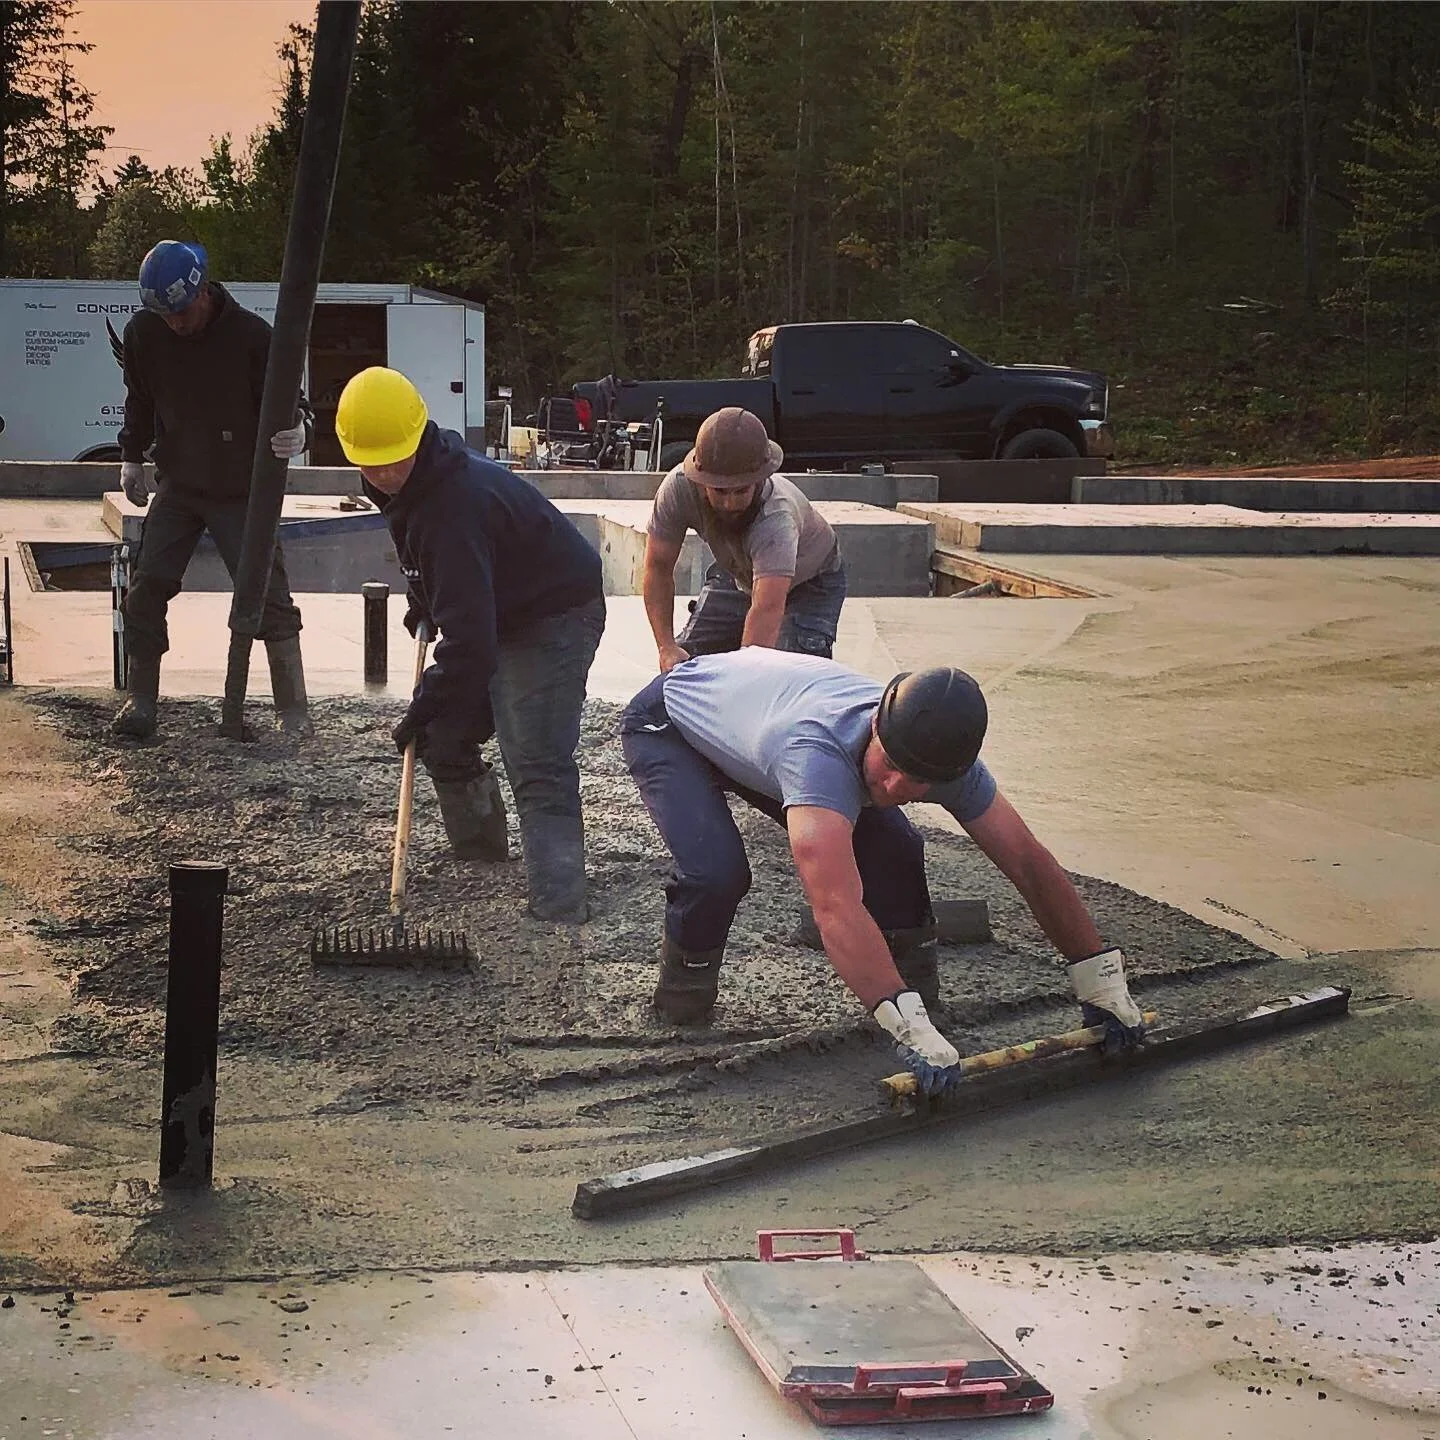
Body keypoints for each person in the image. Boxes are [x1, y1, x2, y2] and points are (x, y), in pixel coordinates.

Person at [620, 649, 1146, 1092]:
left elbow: (1028, 863)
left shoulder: (944, 759)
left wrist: (1100, 977)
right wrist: (906, 1027)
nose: (896, 788)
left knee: (895, 845)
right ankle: (681, 1006)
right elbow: (835, 906)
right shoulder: (813, 751)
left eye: (917, 781)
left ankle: (920, 998)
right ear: (876, 725)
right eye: (890, 765)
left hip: (757, 713)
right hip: (672, 722)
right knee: (718, 872)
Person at [335, 366, 607, 924]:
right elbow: (440, 573)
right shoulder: (405, 483)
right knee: (443, 735)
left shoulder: (451, 504)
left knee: (533, 754)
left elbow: (472, 648)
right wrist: (426, 600)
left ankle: (559, 905)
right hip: (498, 605)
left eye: (392, 458)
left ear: (418, 436)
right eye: (370, 461)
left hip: (555, 611)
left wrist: (426, 698)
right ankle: (482, 855)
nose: (382, 473)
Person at [112, 240, 314, 739]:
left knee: (268, 596)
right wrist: (132, 457)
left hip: (242, 488)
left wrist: (301, 430)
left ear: (203, 290)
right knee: (146, 589)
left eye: (181, 312)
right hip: (179, 482)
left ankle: (293, 711)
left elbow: (294, 400)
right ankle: (141, 704)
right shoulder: (146, 334)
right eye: (165, 316)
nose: (175, 324)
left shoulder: (252, 338)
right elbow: (139, 398)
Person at [643, 406, 846, 674]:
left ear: (759, 479)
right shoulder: (678, 489)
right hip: (739, 573)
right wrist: (666, 647)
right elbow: (657, 567)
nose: (730, 503)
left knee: (784, 681)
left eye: (741, 491)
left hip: (810, 583)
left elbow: (766, 609)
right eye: (720, 491)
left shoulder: (775, 516)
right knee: (685, 669)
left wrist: (741, 684)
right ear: (702, 480)